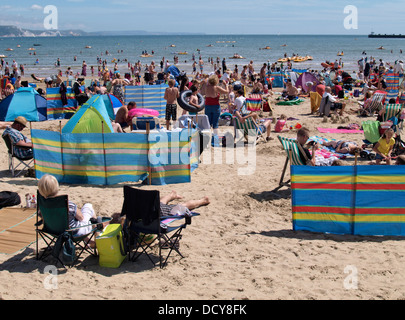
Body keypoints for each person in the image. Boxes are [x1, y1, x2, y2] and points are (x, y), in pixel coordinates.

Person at [37, 174, 105, 246]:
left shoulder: (41, 204)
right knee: (88, 206)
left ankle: (89, 242)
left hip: (54, 232)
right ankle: (97, 236)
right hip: (73, 233)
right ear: (56, 187)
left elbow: (42, 217)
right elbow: (81, 218)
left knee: (72, 223)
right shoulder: (66, 203)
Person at [204, 75, 229, 145]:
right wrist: (226, 84)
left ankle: (207, 140)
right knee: (215, 124)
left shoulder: (207, 87)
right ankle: (215, 141)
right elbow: (226, 92)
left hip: (207, 106)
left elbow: (205, 81)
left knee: (208, 123)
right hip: (215, 106)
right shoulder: (216, 88)